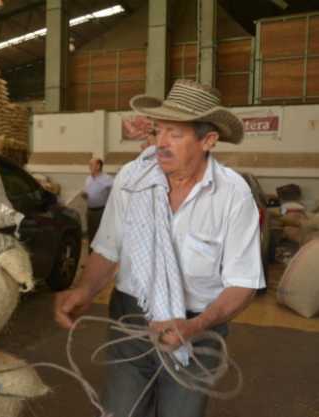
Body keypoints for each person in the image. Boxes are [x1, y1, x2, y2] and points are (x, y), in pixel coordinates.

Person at [55, 79, 265, 417]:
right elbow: (109, 248)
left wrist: (195, 327)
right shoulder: (132, 180)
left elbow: (243, 283)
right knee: (122, 410)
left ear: (208, 140)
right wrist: (85, 289)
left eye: (175, 134)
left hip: (198, 325)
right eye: (158, 131)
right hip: (131, 316)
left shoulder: (233, 195)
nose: (160, 144)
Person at [82, 158, 114, 250]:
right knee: (91, 235)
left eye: (91, 165)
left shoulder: (107, 178)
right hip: (89, 211)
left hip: (101, 211)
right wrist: (84, 195)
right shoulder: (88, 179)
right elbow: (87, 192)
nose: (89, 167)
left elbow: (115, 191)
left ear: (98, 166)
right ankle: (90, 258)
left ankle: (100, 259)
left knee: (101, 236)